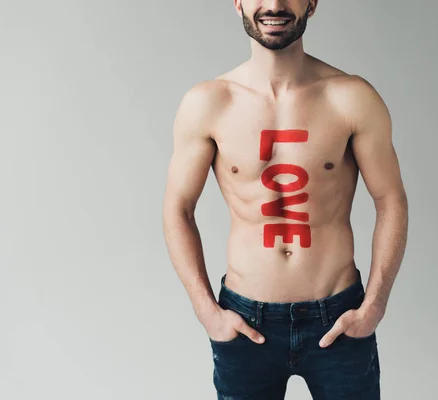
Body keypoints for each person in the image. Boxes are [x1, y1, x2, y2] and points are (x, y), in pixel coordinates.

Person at [162, 1, 408, 398]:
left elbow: (390, 199)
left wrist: (374, 306)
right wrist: (206, 311)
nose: (274, 5)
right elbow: (178, 208)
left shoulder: (351, 97)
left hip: (338, 319)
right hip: (245, 323)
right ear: (238, 2)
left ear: (312, 2)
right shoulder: (209, 103)